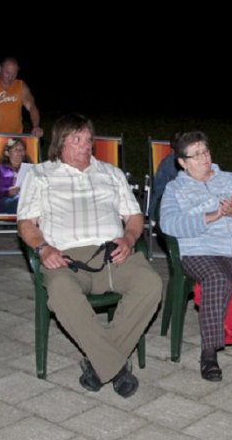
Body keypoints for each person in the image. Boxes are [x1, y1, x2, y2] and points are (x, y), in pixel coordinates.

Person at [17, 113, 162, 398]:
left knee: (150, 283)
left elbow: (134, 216)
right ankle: (116, 367)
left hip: (112, 255)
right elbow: (26, 224)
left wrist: (129, 238)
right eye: (77, 139)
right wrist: (43, 248)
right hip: (66, 259)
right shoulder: (40, 174)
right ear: (60, 143)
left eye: (88, 139)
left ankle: (98, 364)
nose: (86, 145)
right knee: (61, 290)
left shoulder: (111, 173)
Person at [159, 130, 232, 382]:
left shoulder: (231, 180)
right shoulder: (175, 188)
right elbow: (168, 223)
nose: (204, 158)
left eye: (206, 151)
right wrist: (209, 217)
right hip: (201, 250)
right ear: (183, 162)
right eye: (196, 155)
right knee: (217, 279)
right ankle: (209, 354)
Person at [0, 57, 44, 137]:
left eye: (14, 74)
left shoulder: (21, 86)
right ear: (0, 69)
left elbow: (32, 107)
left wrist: (36, 126)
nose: (10, 77)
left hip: (16, 136)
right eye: (7, 73)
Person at [0, 137, 30, 215]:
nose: (20, 152)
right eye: (16, 149)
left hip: (27, 199)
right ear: (7, 153)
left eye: (22, 149)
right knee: (18, 200)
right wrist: (7, 191)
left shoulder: (30, 169)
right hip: (6, 201)